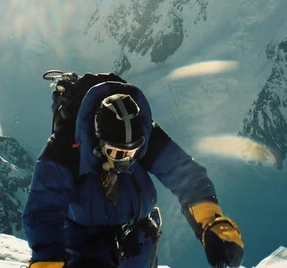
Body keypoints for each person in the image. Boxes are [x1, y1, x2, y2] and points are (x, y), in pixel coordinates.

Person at [22, 78, 244, 268]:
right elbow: (43, 210)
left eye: (132, 152)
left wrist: (211, 222)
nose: (125, 160)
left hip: (137, 245)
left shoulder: (144, 136)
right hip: (84, 248)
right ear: (98, 141)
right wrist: (48, 260)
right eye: (115, 153)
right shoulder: (66, 148)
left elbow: (185, 175)